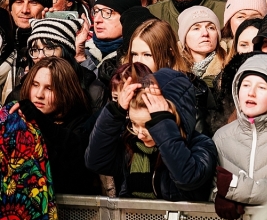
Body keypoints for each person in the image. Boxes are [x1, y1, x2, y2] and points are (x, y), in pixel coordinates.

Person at [85, 68, 217, 201]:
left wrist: (162, 126)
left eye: (149, 125)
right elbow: (96, 162)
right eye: (134, 124)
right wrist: (114, 113)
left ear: (171, 118)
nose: (140, 134)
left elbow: (188, 178)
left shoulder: (201, 145)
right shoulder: (131, 143)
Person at [213, 53, 267, 219]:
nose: (251, 93)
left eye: (262, 87)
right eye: (246, 85)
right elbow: (212, 184)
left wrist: (235, 190)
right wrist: (216, 196)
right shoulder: (221, 137)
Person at [10, 57, 97, 195]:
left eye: (49, 88)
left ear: (66, 91)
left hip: (71, 211)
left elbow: (74, 149)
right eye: (35, 85)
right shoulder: (17, 119)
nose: (39, 95)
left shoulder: (83, 122)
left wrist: (40, 120)